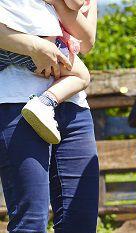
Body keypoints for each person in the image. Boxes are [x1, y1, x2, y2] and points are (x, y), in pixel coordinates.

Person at [0, 0, 98, 233]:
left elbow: (86, 40)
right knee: (29, 226)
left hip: (72, 103)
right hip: (12, 100)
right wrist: (34, 46)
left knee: (78, 228)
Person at [0, 0, 94, 144]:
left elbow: (87, 43)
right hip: (37, 38)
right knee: (81, 76)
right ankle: (44, 103)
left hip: (10, 38)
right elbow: (76, 3)